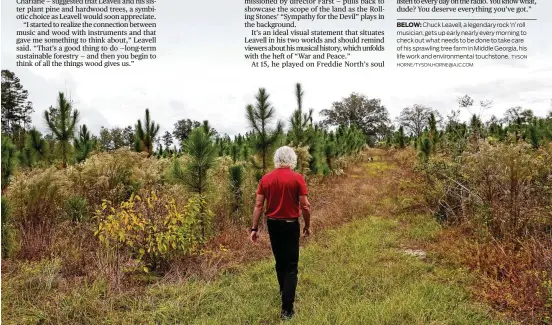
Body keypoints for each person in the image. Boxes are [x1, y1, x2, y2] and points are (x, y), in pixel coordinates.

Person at [250, 146, 312, 321]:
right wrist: (307, 225)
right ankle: (287, 310)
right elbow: (305, 206)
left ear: (276, 159)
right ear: (292, 159)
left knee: (280, 261)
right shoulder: (297, 178)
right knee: (291, 266)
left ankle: (284, 292)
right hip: (291, 224)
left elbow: (258, 205)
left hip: (273, 225)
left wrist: (254, 229)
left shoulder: (266, 179)